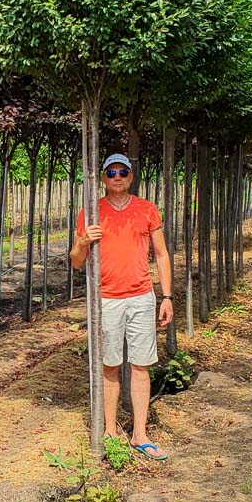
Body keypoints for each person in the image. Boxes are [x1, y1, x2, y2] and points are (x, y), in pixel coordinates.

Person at [69, 152, 174, 461]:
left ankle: (140, 434)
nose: (117, 177)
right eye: (111, 172)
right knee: (109, 365)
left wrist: (167, 297)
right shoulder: (91, 212)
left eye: (123, 172)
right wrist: (84, 241)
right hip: (106, 301)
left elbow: (162, 255)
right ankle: (110, 430)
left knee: (141, 365)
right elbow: (76, 262)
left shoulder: (146, 210)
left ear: (131, 176)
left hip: (141, 298)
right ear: (103, 178)